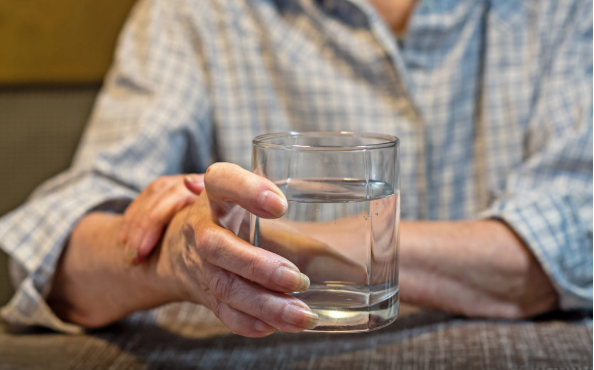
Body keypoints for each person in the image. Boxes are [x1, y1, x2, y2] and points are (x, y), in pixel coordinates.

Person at [0, 0, 591, 337]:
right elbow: (59, 249)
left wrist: (258, 243)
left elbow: (574, 232)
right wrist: (185, 246)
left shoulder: (564, 12)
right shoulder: (192, 13)